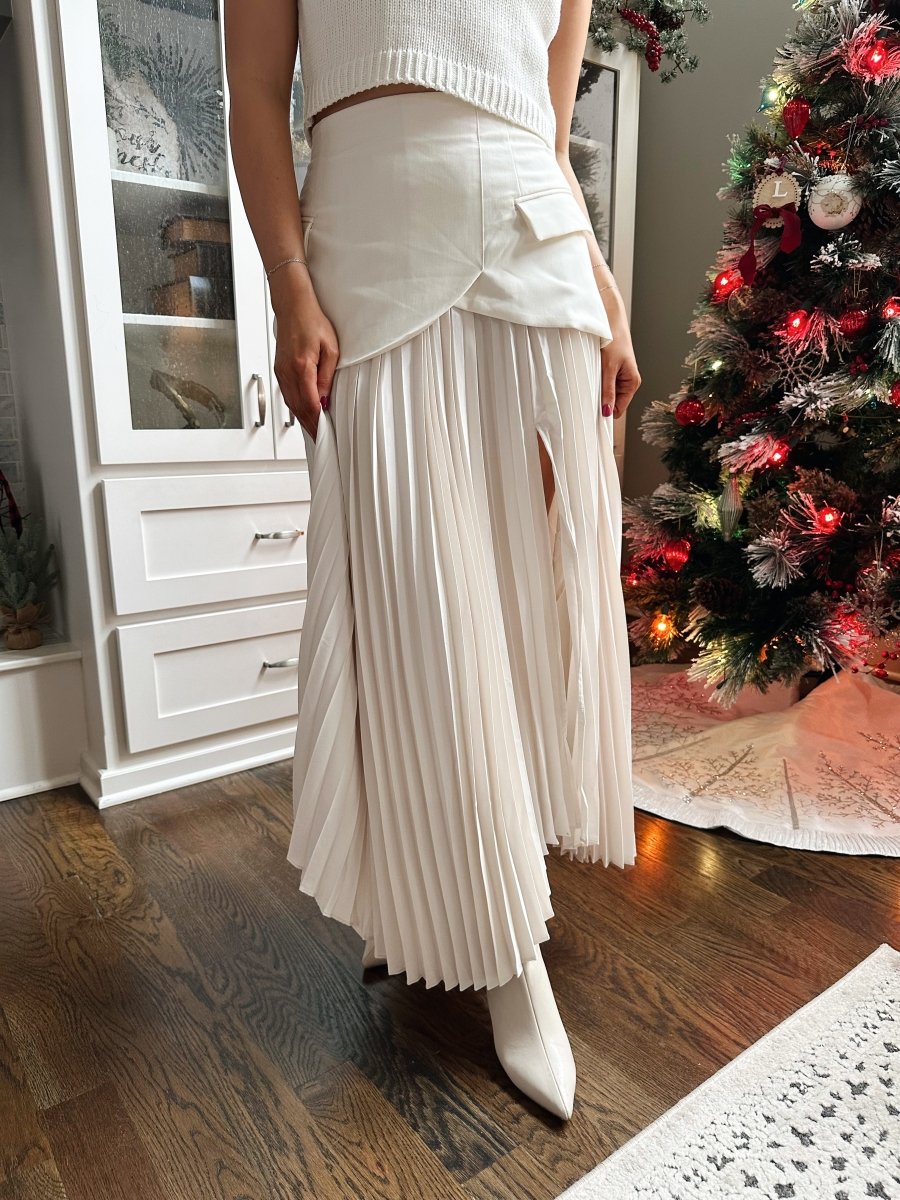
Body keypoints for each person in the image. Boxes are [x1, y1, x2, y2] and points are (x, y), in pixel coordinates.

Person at [224, 0, 642, 1121]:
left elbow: (549, 130)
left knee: (521, 594)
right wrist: (289, 282)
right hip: (374, 230)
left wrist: (603, 288)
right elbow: (256, 96)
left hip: (539, 244)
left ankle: (448, 894)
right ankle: (500, 947)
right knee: (417, 599)